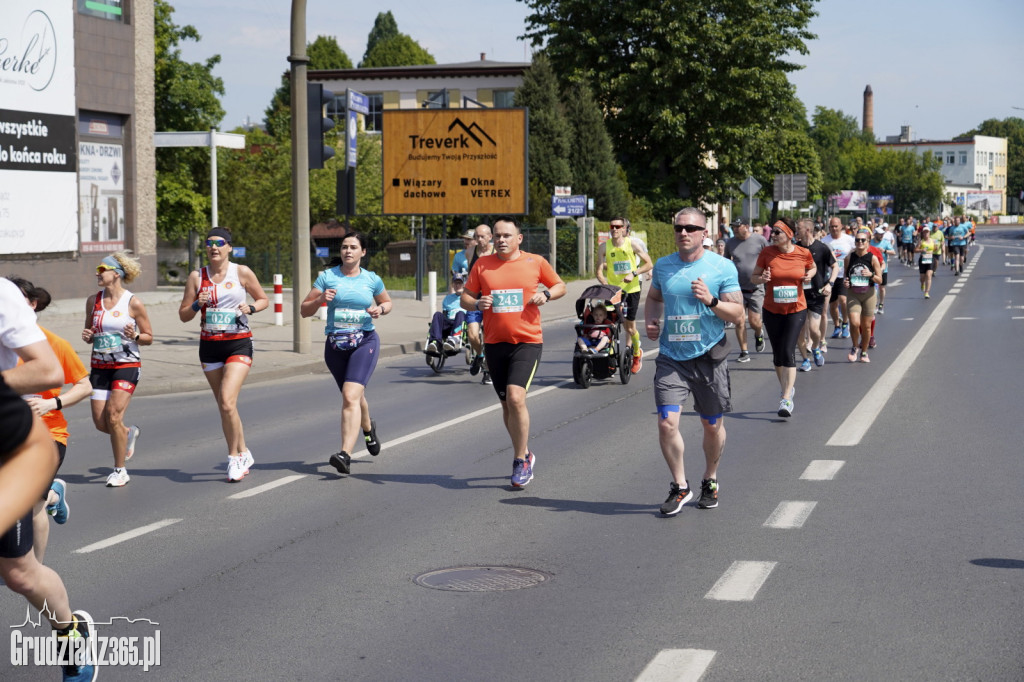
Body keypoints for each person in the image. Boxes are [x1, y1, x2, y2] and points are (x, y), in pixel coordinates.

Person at [0, 278, 97, 682]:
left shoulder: (5, 298)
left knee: (20, 574)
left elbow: (55, 372)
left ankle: (71, 634)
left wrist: (55, 401)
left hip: (19, 446)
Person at [645, 208, 743, 514]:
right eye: (678, 228)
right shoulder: (663, 266)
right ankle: (680, 486)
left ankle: (709, 479)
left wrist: (711, 301)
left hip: (709, 356)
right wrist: (651, 321)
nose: (683, 233)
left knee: (711, 426)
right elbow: (653, 298)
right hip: (672, 358)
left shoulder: (722, 267)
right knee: (666, 423)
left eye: (691, 228)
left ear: (704, 233)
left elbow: (738, 313)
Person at [462, 216, 566, 488]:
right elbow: (465, 297)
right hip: (495, 343)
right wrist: (477, 303)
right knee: (506, 404)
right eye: (497, 235)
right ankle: (527, 452)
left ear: (519, 238)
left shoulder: (535, 262)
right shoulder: (482, 265)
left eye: (506, 235)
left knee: (516, 397)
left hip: (527, 341)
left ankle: (520, 459)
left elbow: (560, 286)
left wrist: (547, 294)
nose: (501, 240)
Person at [8, 278, 91, 562]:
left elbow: (84, 385)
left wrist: (51, 403)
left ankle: (37, 567)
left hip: (48, 436)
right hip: (9, 436)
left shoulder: (53, 344)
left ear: (32, 305)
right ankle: (54, 494)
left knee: (32, 505)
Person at [178, 227, 269, 482]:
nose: (214, 247)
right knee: (225, 406)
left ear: (229, 247)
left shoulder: (241, 272)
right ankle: (244, 450)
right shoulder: (197, 277)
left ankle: (234, 458)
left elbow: (263, 299)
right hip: (209, 345)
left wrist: (250, 307)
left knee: (228, 401)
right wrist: (198, 303)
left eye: (219, 243)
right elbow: (184, 314)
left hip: (238, 343)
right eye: (209, 244)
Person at [301, 232, 392, 474]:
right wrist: (320, 298)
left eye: (353, 247)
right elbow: (303, 310)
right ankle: (368, 429)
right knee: (354, 395)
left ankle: (345, 454)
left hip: (364, 341)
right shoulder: (327, 277)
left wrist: (380, 309)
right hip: (335, 346)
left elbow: (388, 302)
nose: (347, 251)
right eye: (344, 247)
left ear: (363, 252)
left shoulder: (372, 279)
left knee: (350, 396)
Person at [82, 252, 152, 488]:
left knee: (113, 416)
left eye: (102, 269)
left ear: (116, 274)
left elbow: (149, 337)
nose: (97, 274)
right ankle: (128, 433)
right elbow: (89, 333)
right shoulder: (93, 301)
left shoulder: (133, 303)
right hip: (100, 366)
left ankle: (120, 470)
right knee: (101, 424)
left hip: (126, 365)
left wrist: (137, 336)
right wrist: (88, 336)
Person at [749, 217, 815, 417]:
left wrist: (810, 274)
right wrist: (762, 279)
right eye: (773, 232)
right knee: (778, 355)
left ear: (789, 235)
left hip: (796, 308)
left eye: (778, 232)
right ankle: (786, 388)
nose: (773, 235)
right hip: (771, 309)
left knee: (788, 349)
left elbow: (812, 267)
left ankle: (786, 398)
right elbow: (754, 277)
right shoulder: (767, 253)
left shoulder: (803, 253)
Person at [595, 216, 653, 373]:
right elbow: (599, 270)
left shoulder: (632, 244)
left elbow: (649, 264)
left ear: (623, 229)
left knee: (629, 327)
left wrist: (634, 273)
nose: (614, 229)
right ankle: (611, 356)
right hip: (613, 291)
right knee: (610, 324)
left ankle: (636, 353)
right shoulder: (603, 247)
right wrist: (604, 284)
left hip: (631, 290)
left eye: (618, 226)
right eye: (612, 226)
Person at [723, 217, 767, 363]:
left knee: (755, 322)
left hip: (756, 288)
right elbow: (726, 262)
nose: (735, 229)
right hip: (737, 289)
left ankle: (759, 333)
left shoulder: (759, 240)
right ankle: (744, 351)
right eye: (733, 226)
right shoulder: (730, 243)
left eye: (738, 226)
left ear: (747, 226)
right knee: (739, 320)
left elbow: (770, 258)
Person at [795, 219, 837, 372]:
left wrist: (830, 283)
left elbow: (835, 266)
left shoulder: (822, 248)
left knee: (813, 329)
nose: (796, 231)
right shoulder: (795, 248)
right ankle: (805, 360)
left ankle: (816, 347)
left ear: (807, 230)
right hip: (798, 294)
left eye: (798, 228)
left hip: (816, 294)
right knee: (799, 331)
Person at [843, 230, 884, 363]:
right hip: (853, 293)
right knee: (855, 323)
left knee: (866, 326)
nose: (859, 242)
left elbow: (880, 280)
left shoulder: (873, 258)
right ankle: (855, 346)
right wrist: (846, 281)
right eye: (857, 240)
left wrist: (871, 275)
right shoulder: (849, 258)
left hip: (869, 294)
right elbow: (846, 276)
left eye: (862, 240)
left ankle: (864, 352)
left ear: (867, 243)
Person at [465, 223, 495, 377]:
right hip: (475, 299)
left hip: (493, 300)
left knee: (491, 338)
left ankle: (489, 370)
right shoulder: (470, 252)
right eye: (477, 236)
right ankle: (480, 355)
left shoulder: (497, 252)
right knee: (472, 335)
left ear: (490, 237)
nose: (480, 239)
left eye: (483, 236)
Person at [822, 217, 855, 340]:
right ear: (829, 227)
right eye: (831, 226)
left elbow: (856, 252)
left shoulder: (849, 240)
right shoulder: (824, 241)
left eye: (836, 226)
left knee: (843, 300)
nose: (834, 229)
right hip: (829, 277)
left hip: (843, 275)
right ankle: (837, 326)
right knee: (833, 304)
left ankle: (845, 323)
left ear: (841, 226)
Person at [426, 269, 468, 356]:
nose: (457, 285)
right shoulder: (447, 299)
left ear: (463, 285)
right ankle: (435, 342)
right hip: (448, 323)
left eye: (459, 283)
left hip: (460, 324)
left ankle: (453, 341)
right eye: (455, 283)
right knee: (437, 314)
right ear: (453, 285)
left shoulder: (467, 297)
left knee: (460, 313)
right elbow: (445, 314)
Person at [869, 225, 896, 315]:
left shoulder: (885, 242)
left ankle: (881, 304)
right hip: (871, 269)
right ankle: (874, 305)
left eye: (882, 234)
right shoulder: (870, 243)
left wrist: (884, 251)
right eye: (880, 234)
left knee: (881, 288)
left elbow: (893, 252)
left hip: (883, 269)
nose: (881, 236)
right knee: (873, 288)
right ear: (875, 234)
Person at [916, 225, 937, 299]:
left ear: (929, 233)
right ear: (922, 233)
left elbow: (936, 248)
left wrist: (936, 248)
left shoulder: (933, 241)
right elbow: (915, 250)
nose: (926, 234)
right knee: (922, 277)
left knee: (928, 275)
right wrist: (921, 250)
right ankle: (922, 283)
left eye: (927, 232)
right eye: (924, 232)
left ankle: (927, 292)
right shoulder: (921, 242)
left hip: (930, 259)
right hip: (923, 259)